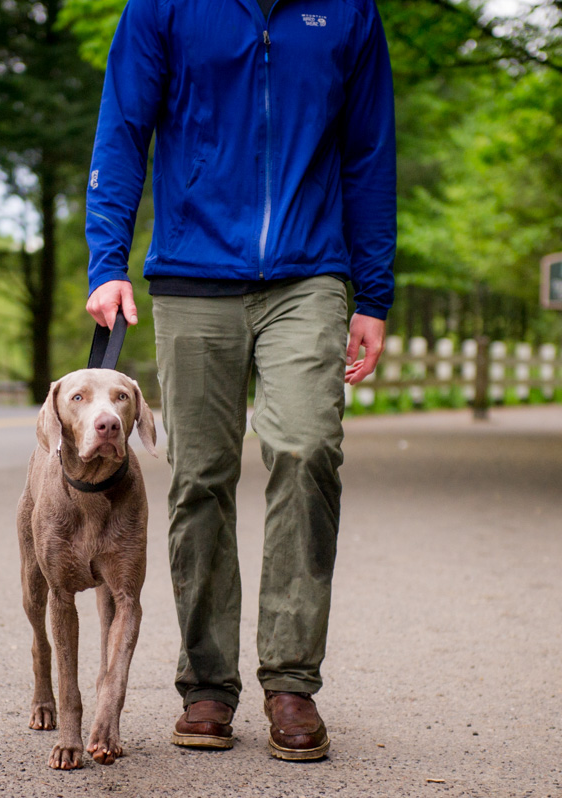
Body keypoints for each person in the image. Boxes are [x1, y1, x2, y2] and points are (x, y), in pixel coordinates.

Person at [82, 0, 396, 762]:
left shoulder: (347, 11)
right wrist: (108, 262)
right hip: (192, 272)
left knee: (307, 449)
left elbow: (368, 152)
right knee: (201, 476)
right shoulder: (163, 6)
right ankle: (208, 687)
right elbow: (124, 128)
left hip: (310, 274)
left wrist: (375, 293)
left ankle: (291, 681)